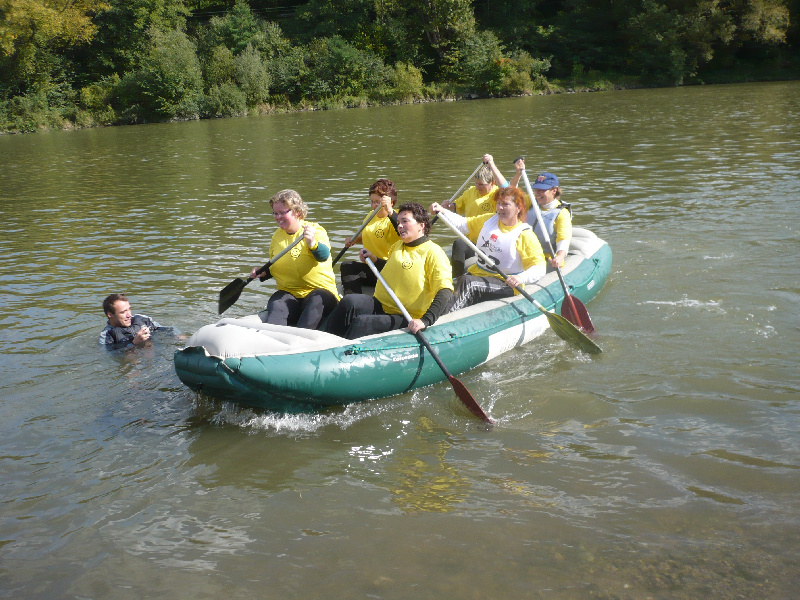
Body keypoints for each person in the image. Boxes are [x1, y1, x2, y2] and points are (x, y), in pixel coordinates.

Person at [325, 202, 454, 340]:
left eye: (405, 221)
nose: (399, 226)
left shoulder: (434, 252)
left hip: (405, 315)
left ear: (421, 225)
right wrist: (374, 259)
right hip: (382, 304)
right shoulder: (398, 245)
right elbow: (394, 268)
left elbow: (445, 290)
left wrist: (425, 321)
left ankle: (341, 352)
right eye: (398, 222)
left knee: (362, 323)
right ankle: (323, 342)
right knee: (349, 302)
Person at [430, 186, 546, 313]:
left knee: (469, 283)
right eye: (499, 203)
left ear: (518, 208)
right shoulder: (490, 220)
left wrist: (521, 278)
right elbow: (463, 225)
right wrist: (442, 211)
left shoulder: (524, 234)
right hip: (478, 274)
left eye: (505, 204)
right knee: (446, 285)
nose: (500, 208)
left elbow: (540, 268)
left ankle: (443, 319)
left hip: (505, 284)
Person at [250, 189, 339, 329]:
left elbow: (323, 256)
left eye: (282, 213)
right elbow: (278, 265)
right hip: (290, 294)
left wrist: (312, 243)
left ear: (297, 212)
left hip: (320, 293)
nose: (277, 217)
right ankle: (271, 339)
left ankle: (303, 339)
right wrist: (263, 273)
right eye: (275, 213)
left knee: (316, 300)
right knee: (277, 301)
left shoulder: (314, 230)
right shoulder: (277, 237)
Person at [339, 178, 401, 294]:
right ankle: (354, 301)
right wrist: (353, 240)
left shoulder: (399, 217)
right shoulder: (370, 216)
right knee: (347, 266)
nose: (374, 205)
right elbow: (369, 235)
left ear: (390, 202)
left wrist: (390, 211)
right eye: (372, 201)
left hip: (389, 269)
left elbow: (403, 230)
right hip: (372, 267)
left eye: (377, 202)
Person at [517, 160, 572, 269]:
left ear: (554, 190)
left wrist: (560, 257)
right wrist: (518, 173)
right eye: (536, 189)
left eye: (542, 190)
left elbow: (563, 239)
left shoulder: (562, 213)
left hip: (545, 259)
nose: (537, 193)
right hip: (523, 253)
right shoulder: (530, 200)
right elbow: (510, 193)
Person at [99, 293, 166, 349]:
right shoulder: (107, 336)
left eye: (129, 309)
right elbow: (110, 356)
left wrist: (175, 336)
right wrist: (134, 343)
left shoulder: (142, 319)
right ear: (110, 315)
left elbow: (166, 329)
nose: (129, 315)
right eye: (123, 312)